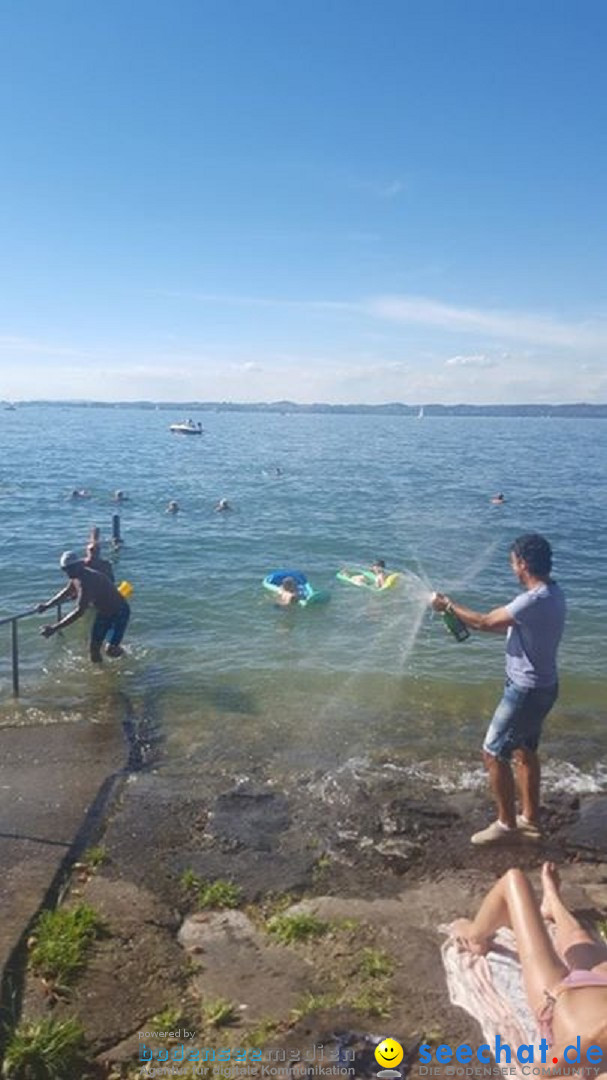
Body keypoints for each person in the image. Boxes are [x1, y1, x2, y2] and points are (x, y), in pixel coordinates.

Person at [431, 533, 566, 845]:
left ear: (522, 563)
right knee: (524, 750)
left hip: (524, 690)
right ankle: (530, 818)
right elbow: (504, 624)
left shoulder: (532, 600)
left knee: (492, 752)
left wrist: (448, 605)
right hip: (545, 686)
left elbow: (483, 622)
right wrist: (487, 619)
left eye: (512, 564)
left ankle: (506, 824)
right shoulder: (553, 593)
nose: (512, 570)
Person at [450, 862, 607, 1068]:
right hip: (600, 985)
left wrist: (592, 1041)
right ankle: (552, 902)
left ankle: (475, 936)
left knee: (514, 880)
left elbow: (545, 1069)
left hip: (558, 997)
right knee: (578, 937)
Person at [38, 551, 130, 663]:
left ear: (80, 565)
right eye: (65, 569)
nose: (68, 572)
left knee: (110, 650)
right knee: (93, 650)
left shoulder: (87, 581)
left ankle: (126, 658)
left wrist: (54, 628)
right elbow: (67, 591)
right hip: (104, 613)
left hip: (119, 611)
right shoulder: (75, 576)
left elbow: (79, 611)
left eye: (71, 568)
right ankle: (100, 674)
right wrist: (47, 605)